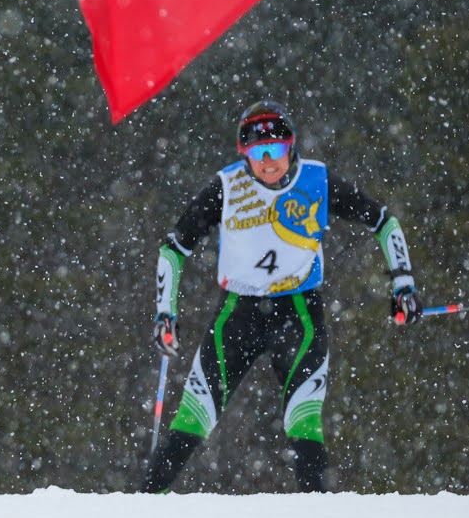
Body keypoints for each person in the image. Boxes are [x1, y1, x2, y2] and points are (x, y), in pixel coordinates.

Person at [144, 101, 419, 492]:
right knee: (193, 417)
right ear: (244, 154)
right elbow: (173, 249)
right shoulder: (227, 186)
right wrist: (164, 314)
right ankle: (140, 509)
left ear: (292, 147)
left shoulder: (317, 180)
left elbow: (383, 221)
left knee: (303, 421)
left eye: (276, 149)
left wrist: (403, 284)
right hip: (237, 314)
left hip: (298, 314)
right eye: (257, 152)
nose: (268, 161)